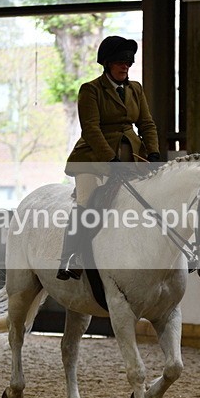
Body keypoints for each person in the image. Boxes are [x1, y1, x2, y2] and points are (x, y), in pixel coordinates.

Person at [57, 35, 161, 281]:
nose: (125, 66)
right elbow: (91, 129)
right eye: (119, 62)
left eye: (128, 62)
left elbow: (146, 123)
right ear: (107, 64)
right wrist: (110, 161)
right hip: (93, 156)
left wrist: (154, 152)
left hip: (131, 155)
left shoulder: (135, 89)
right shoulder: (91, 90)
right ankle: (71, 256)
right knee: (86, 199)